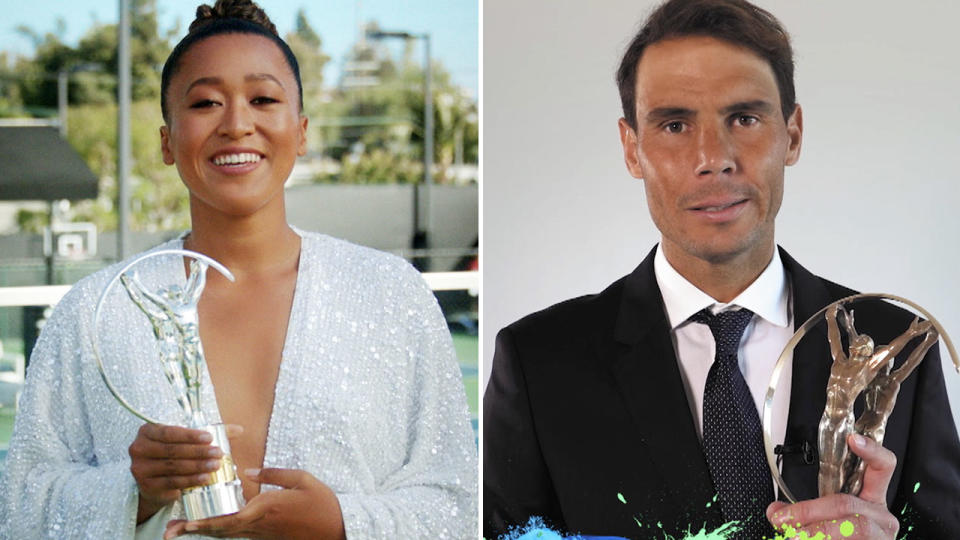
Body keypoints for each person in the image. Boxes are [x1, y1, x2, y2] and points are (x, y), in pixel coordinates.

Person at [483, 0, 960, 539]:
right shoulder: (540, 363)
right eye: (675, 124)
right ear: (632, 148)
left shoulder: (897, 345)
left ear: (793, 134)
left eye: (744, 118)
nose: (713, 156)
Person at [0, 1, 477, 538]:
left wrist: (343, 524)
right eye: (205, 102)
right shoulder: (96, 311)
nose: (236, 124)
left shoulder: (392, 298)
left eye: (262, 99)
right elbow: (22, 503)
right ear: (166, 141)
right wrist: (133, 491)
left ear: (300, 132)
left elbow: (459, 504)